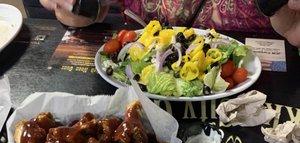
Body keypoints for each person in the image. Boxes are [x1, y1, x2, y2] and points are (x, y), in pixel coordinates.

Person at [39, 0, 300, 47]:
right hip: (146, 91)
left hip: (258, 91)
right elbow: (84, 14)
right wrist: (73, 8)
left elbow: (293, 30)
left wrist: (289, 22)